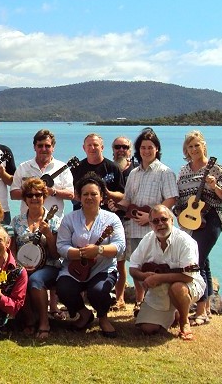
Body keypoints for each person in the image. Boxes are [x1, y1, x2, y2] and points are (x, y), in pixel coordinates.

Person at [109, 128, 178, 316]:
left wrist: (152, 217)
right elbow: (128, 199)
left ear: (157, 149)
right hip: (133, 227)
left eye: (150, 147)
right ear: (138, 150)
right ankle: (140, 302)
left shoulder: (165, 172)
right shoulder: (134, 173)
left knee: (156, 265)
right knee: (138, 267)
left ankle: (159, 304)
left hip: (155, 229)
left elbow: (171, 199)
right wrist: (117, 205)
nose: (146, 151)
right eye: (143, 147)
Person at [56, 175, 125, 338]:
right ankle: (84, 314)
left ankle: (103, 318)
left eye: (94, 194)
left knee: (98, 290)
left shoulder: (112, 219)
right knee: (63, 288)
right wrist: (79, 253)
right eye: (85, 194)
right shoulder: (69, 219)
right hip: (74, 268)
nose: (89, 197)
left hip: (103, 268)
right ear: (79, 197)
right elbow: (61, 246)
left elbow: (120, 246)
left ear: (101, 197)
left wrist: (99, 250)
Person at [129, 205, 205, 341]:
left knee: (177, 287)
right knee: (147, 329)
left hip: (189, 285)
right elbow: (133, 268)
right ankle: (174, 314)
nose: (160, 224)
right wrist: (144, 276)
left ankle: (184, 321)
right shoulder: (147, 239)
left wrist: (159, 278)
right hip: (159, 290)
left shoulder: (185, 242)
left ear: (172, 220)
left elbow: (188, 276)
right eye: (155, 221)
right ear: (150, 224)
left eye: (164, 219)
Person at [175, 130, 222, 326]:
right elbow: (180, 196)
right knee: (205, 263)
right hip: (190, 219)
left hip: (211, 218)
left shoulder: (216, 169)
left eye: (197, 145)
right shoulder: (184, 171)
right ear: (186, 150)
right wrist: (178, 214)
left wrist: (214, 186)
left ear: (204, 146)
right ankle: (208, 307)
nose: (193, 149)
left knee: (196, 260)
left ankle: (201, 309)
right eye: (190, 146)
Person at [11, 178, 62, 340]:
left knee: (35, 280)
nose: (34, 198)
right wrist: (18, 266)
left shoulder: (53, 220)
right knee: (18, 277)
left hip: (49, 266)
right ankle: (30, 319)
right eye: (30, 195)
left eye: (38, 194)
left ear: (44, 197)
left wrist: (48, 235)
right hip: (23, 265)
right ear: (25, 199)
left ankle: (44, 322)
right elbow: (12, 249)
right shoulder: (17, 221)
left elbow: (55, 254)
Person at [10, 129, 74, 215]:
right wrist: (31, 192)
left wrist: (53, 192)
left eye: (47, 146)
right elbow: (13, 194)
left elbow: (70, 194)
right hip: (27, 221)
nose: (44, 149)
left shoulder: (63, 168)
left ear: (53, 147)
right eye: (40, 146)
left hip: (55, 222)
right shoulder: (23, 167)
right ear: (34, 147)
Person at [110, 135, 138, 310]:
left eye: (125, 147)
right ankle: (119, 299)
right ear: (112, 150)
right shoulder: (109, 170)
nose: (121, 150)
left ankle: (139, 301)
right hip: (115, 222)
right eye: (117, 147)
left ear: (130, 150)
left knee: (137, 262)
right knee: (119, 263)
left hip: (133, 221)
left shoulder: (136, 171)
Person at [71, 133, 124, 211]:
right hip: (80, 215)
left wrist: (109, 193)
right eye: (89, 145)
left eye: (96, 145)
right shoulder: (76, 168)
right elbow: (70, 192)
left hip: (106, 216)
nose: (92, 148)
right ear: (84, 148)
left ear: (102, 147)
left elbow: (122, 195)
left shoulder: (113, 168)